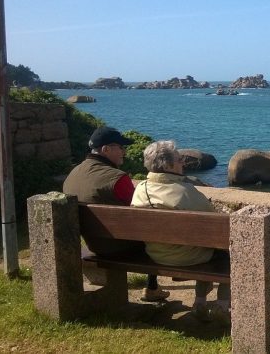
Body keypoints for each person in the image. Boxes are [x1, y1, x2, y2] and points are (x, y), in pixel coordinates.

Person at [63, 126, 170, 302]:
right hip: (117, 246)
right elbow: (141, 214)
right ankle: (151, 287)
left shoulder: (74, 173)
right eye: (120, 147)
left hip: (92, 243)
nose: (124, 152)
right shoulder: (117, 178)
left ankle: (153, 287)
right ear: (105, 149)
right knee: (154, 228)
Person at [131, 140, 230, 324]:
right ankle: (220, 305)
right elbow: (218, 224)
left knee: (205, 246)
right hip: (187, 256)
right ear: (168, 165)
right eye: (179, 159)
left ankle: (200, 304)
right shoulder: (185, 192)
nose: (183, 163)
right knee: (226, 255)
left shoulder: (140, 189)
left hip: (155, 253)